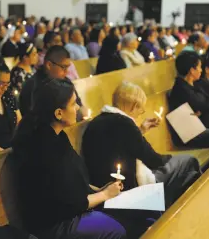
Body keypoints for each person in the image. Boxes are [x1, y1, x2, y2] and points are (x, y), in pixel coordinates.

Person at [10, 78, 127, 239]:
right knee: (116, 230)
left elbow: (74, 181)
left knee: (125, 214)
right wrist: (104, 195)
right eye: (73, 104)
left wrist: (99, 190)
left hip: (69, 212)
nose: (78, 107)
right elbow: (69, 203)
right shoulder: (42, 148)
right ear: (58, 113)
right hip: (52, 225)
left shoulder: (57, 135)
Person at [82, 81, 202, 207]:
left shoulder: (95, 123)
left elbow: (118, 145)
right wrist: (170, 158)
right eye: (140, 108)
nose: (142, 112)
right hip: (130, 189)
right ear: (133, 106)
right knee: (189, 161)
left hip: (103, 186)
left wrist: (140, 131)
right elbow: (154, 160)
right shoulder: (126, 124)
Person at [20, 45, 87, 119]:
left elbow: (79, 105)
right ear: (49, 65)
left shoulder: (66, 81)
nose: (67, 72)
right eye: (64, 67)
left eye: (68, 67)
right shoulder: (32, 86)